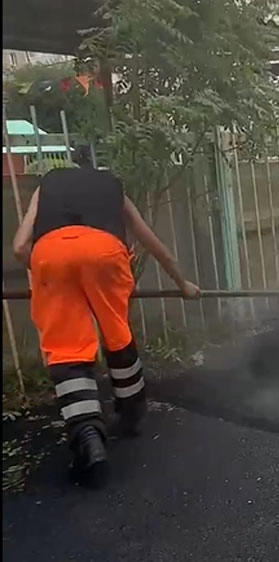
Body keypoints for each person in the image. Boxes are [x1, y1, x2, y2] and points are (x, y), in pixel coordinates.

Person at [12, 145, 200, 483]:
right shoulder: (112, 186)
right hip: (104, 251)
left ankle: (88, 435)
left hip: (50, 252)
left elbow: (20, 247)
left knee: (67, 349)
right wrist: (182, 283)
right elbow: (151, 241)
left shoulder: (46, 186)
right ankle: (130, 413)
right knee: (117, 333)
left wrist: (46, 274)